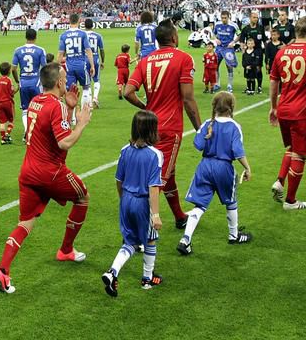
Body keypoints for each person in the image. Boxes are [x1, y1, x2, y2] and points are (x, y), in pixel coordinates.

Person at [0, 63, 92, 294]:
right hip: (51, 172)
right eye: (64, 78)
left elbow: (50, 127)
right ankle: (66, 250)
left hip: (28, 173)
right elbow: (64, 141)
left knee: (25, 223)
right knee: (83, 197)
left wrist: (68, 107)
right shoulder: (55, 106)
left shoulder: (37, 101)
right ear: (58, 82)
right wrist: (82, 122)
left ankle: (2, 271)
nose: (66, 82)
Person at [124, 20, 202, 227]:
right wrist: (200, 129)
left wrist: (146, 107)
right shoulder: (184, 59)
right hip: (168, 127)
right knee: (158, 180)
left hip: (149, 126)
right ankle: (139, 228)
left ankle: (179, 216)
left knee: (168, 173)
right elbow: (187, 99)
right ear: (175, 38)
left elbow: (127, 92)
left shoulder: (145, 60)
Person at [176, 91, 253, 255]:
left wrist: (207, 136)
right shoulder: (234, 126)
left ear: (214, 107)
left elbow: (197, 145)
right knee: (230, 202)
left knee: (199, 205)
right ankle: (234, 235)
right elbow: (237, 151)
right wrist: (247, 168)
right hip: (224, 168)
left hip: (205, 167)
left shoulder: (206, 124)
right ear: (231, 107)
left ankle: (186, 239)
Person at [101, 110, 164, 298]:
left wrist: (123, 200)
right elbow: (153, 188)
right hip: (142, 203)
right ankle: (147, 279)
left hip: (126, 199)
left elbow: (118, 180)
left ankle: (112, 272)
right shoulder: (155, 155)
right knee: (150, 239)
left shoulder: (124, 150)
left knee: (131, 241)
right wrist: (155, 215)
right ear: (152, 130)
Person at [269, 16, 306, 211]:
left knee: (292, 147)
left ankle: (280, 181)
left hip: (284, 108)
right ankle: (290, 201)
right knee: (300, 154)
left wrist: (273, 107)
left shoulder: (281, 52)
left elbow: (273, 82)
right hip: (302, 111)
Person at [11, 28, 49, 135]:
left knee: (25, 109)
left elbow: (13, 68)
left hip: (23, 82)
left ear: (25, 37)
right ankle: (38, 132)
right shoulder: (40, 50)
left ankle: (27, 131)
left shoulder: (18, 50)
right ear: (35, 37)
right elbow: (45, 68)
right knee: (39, 108)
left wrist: (17, 80)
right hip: (36, 82)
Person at [56, 14, 95, 109]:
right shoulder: (82, 34)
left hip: (69, 66)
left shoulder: (63, 35)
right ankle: (83, 111)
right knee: (86, 87)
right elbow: (88, 50)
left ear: (69, 21)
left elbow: (61, 53)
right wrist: (92, 65)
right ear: (79, 21)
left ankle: (72, 118)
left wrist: (57, 67)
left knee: (70, 92)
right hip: (81, 65)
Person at [213, 10, 239, 92]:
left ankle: (229, 85)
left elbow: (239, 34)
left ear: (229, 17)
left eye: (225, 18)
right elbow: (213, 33)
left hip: (228, 48)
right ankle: (217, 84)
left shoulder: (233, 25)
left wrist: (233, 42)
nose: (224, 19)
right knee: (215, 65)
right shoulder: (217, 24)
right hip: (219, 48)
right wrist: (216, 39)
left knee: (229, 66)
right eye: (222, 18)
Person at [0, 61, 17, 144]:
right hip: (8, 103)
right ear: (9, 71)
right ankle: (7, 135)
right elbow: (12, 93)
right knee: (11, 120)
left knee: (2, 122)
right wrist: (18, 89)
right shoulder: (9, 80)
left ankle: (3, 139)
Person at [84, 19, 106, 107]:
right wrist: (103, 61)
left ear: (84, 26)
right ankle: (95, 98)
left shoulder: (82, 35)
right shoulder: (98, 36)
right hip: (95, 58)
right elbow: (102, 50)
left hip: (85, 58)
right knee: (96, 79)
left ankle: (89, 102)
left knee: (87, 81)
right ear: (92, 25)